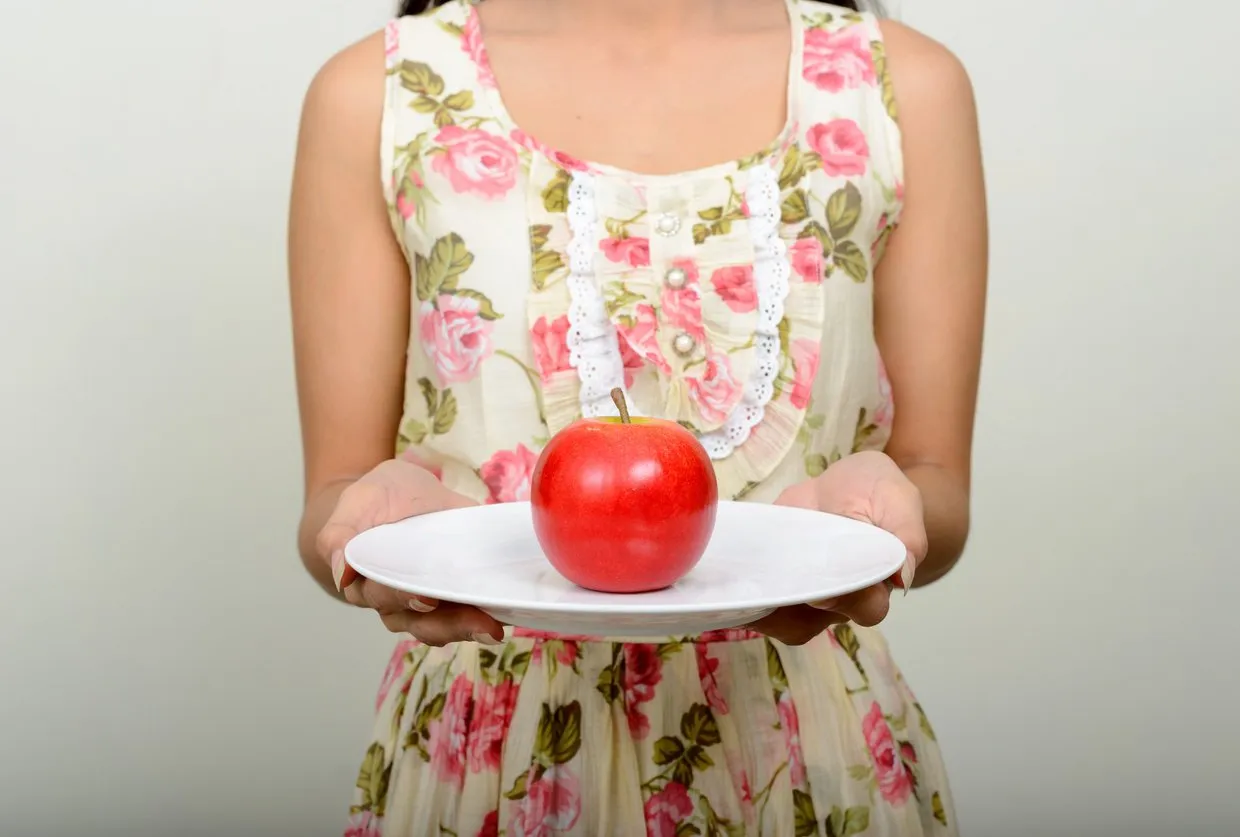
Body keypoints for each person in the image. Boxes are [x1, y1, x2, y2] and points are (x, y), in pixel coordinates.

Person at [287, 0, 986, 831]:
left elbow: (937, 484)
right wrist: (376, 527)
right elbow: (334, 495)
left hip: (808, 752)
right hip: (487, 758)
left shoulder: (904, 86)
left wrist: (884, 516)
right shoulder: (378, 92)